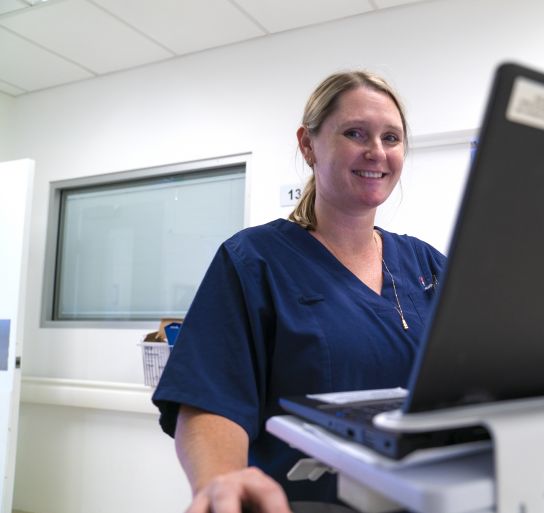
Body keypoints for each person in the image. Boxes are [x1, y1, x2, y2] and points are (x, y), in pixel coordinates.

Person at [152, 70, 446, 513]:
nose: (377, 152)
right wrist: (223, 482)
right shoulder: (255, 260)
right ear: (308, 145)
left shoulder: (427, 265)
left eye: (392, 137)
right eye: (355, 133)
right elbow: (210, 398)